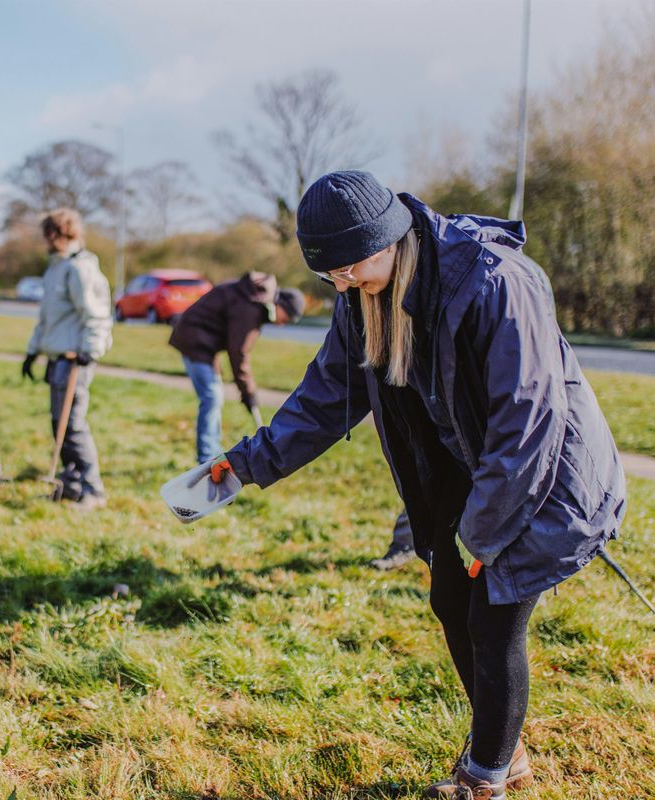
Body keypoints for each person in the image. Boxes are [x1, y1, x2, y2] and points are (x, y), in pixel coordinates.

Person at [206, 171, 626, 798]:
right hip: (469, 472)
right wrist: (246, 463)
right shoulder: (362, 299)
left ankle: (487, 777)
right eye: (330, 277)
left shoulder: (493, 281)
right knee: (450, 601)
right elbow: (327, 396)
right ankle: (502, 746)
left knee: (494, 618)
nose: (342, 285)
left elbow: (529, 416)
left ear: (388, 239)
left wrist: (484, 536)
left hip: (541, 477)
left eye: (349, 269)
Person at [21, 208, 113, 510]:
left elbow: (96, 314)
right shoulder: (55, 268)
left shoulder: (80, 269)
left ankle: (93, 490)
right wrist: (33, 350)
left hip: (75, 360)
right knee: (57, 424)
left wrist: (91, 350)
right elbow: (48, 318)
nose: (48, 239)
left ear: (66, 235)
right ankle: (71, 484)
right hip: (56, 358)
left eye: (53, 233)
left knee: (72, 425)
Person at [170, 272, 304, 463]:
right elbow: (238, 353)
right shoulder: (251, 307)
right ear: (281, 305)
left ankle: (212, 452)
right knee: (211, 397)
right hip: (193, 341)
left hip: (202, 342)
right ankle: (207, 458)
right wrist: (248, 393)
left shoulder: (255, 297)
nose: (283, 324)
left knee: (214, 397)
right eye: (287, 318)